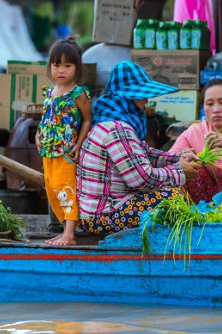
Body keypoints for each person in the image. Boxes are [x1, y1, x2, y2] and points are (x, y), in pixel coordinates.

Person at [76, 61, 201, 235]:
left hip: (98, 213)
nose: (147, 100)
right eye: (142, 95)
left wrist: (176, 158)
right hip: (102, 216)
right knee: (171, 196)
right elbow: (142, 180)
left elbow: (145, 153)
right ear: (129, 97)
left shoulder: (110, 120)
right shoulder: (118, 129)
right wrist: (180, 171)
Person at [35, 37, 92, 246]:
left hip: (66, 151)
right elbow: (45, 118)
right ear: (50, 66)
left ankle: (70, 234)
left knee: (66, 188)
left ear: (76, 68)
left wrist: (78, 144)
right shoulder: (49, 92)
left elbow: (87, 119)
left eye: (67, 65)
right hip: (48, 151)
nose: (61, 70)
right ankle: (64, 231)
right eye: (56, 65)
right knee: (51, 188)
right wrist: (37, 135)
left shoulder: (78, 93)